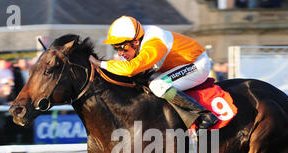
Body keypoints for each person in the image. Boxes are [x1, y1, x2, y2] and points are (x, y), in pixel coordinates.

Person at [89, 15, 218, 129]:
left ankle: (204, 114)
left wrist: (100, 64)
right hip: (178, 65)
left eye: (122, 47)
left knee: (157, 85)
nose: (120, 53)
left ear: (135, 42)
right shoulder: (141, 39)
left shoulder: (153, 44)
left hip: (196, 64)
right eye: (115, 47)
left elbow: (130, 69)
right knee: (145, 82)